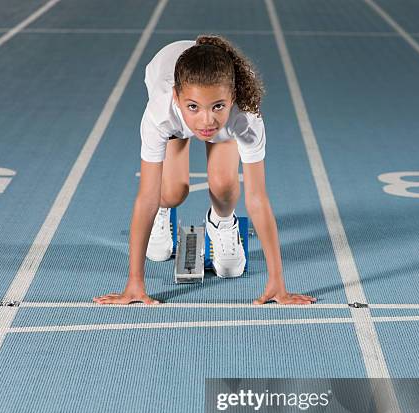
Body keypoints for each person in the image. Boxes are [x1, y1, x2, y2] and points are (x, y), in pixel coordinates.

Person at [93, 34, 316, 306]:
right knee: (173, 192)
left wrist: (277, 282)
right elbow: (146, 196)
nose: (206, 120)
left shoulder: (245, 116)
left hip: (224, 125)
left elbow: (257, 198)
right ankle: (167, 211)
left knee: (223, 185)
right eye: (194, 107)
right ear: (177, 96)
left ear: (232, 97)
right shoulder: (161, 112)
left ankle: (221, 221)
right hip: (175, 118)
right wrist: (135, 283)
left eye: (218, 106)